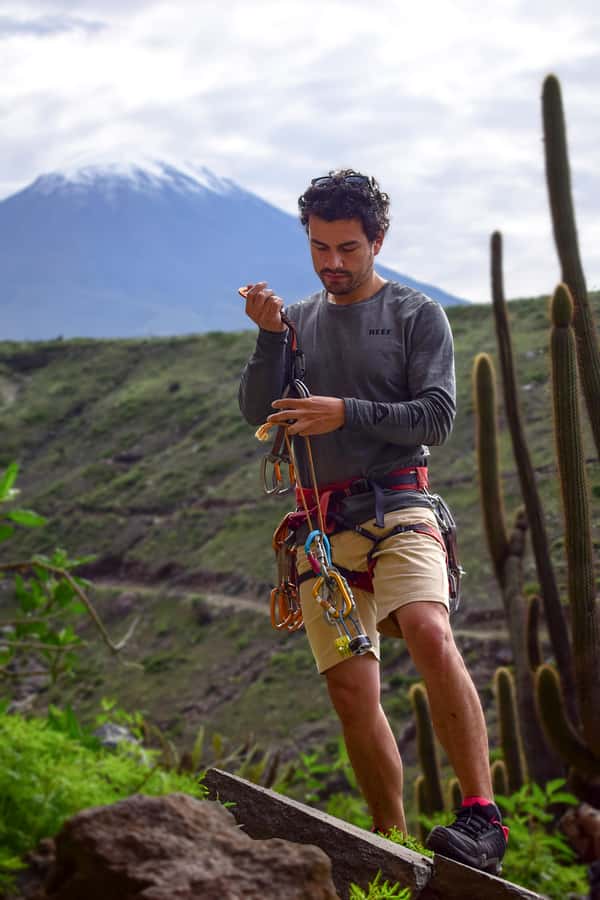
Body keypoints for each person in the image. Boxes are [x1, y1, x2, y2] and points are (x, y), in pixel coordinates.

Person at [238, 169, 508, 874]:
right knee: (351, 690)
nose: (332, 263)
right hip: (321, 529)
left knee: (427, 627)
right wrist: (270, 339)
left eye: (348, 248)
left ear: (378, 240)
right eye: (320, 248)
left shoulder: (418, 314)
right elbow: (257, 411)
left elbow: (438, 416)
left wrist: (343, 412)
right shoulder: (296, 320)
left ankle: (482, 818)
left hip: (401, 504)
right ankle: (392, 843)